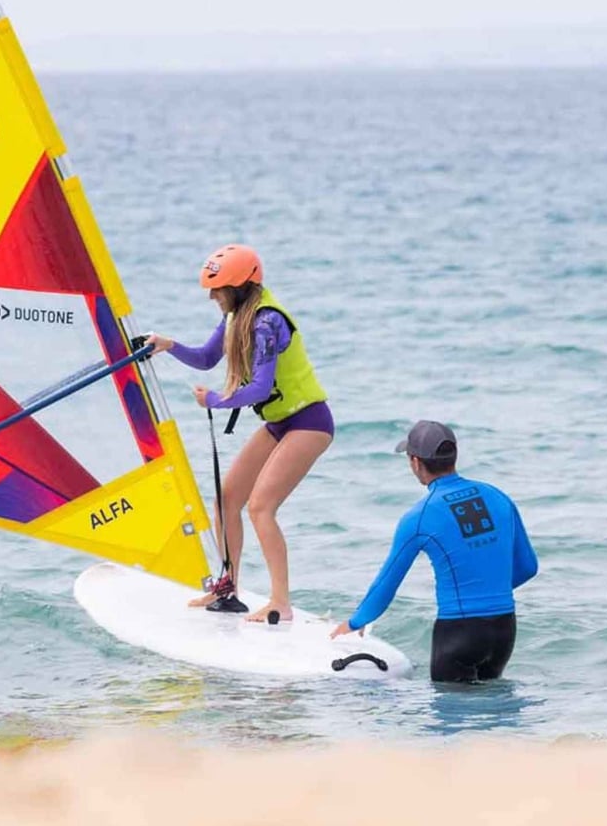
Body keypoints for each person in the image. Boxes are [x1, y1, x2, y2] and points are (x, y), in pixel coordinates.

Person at [146, 244, 332, 622]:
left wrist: (214, 400)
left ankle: (281, 601)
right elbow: (206, 358)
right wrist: (168, 346)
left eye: (219, 289)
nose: (213, 297)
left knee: (262, 507)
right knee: (226, 499)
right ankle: (228, 587)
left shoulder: (266, 322)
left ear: (241, 286)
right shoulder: (236, 316)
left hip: (309, 422)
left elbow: (260, 389)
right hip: (279, 423)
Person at [331, 421, 539, 683]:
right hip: (504, 630)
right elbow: (528, 567)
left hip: (459, 633)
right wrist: (487, 590)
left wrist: (354, 623)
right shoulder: (497, 496)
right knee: (492, 716)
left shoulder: (420, 516)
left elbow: (387, 584)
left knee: (450, 719)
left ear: (416, 462)